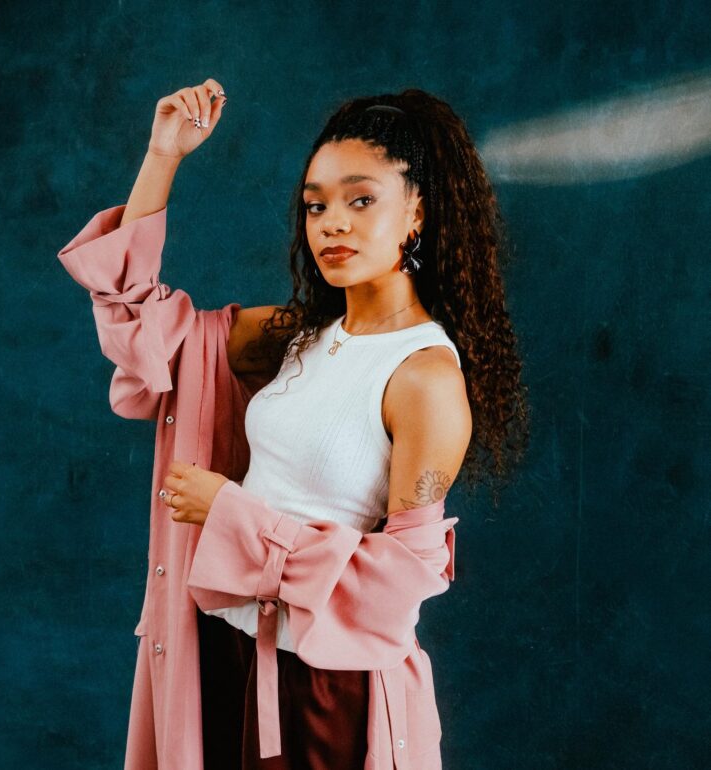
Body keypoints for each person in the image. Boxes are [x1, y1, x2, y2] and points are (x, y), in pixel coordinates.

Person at [61, 77, 530, 769]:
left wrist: (232, 513)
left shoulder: (424, 376)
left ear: (417, 212)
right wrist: (163, 156)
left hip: (323, 691)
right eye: (316, 205)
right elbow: (143, 325)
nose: (332, 223)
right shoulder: (299, 335)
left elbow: (399, 583)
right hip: (223, 654)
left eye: (361, 200)